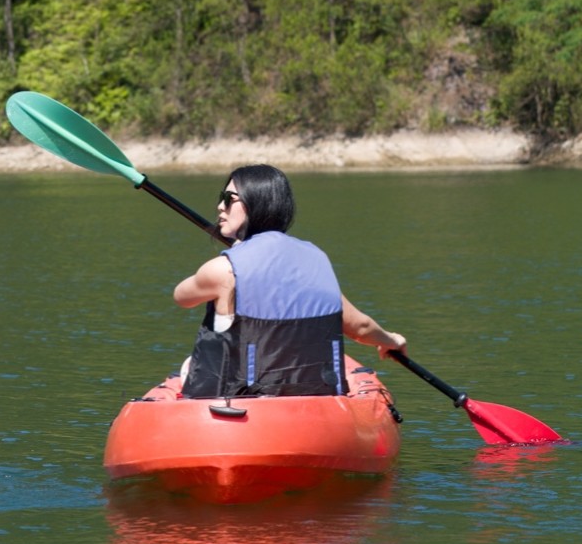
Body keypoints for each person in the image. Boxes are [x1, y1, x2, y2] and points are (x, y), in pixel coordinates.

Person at [173, 164, 407, 399]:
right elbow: (360, 327)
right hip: (316, 402)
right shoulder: (315, 258)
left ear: (257, 201)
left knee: (190, 364)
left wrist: (237, 256)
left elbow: (181, 297)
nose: (220, 206)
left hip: (242, 402)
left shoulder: (223, 270)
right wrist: (391, 340)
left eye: (228, 198)